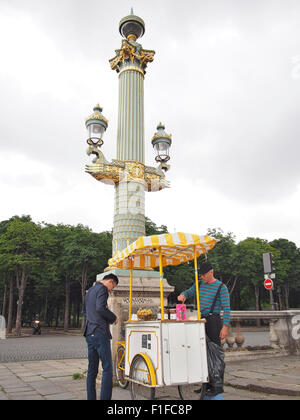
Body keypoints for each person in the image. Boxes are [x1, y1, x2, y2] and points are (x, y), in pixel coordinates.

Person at [177, 261, 231, 400]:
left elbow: (226, 308)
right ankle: (205, 384)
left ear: (211, 272)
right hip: (200, 321)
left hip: (213, 322)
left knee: (215, 354)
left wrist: (225, 326)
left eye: (204, 275)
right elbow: (189, 292)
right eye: (200, 275)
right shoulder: (199, 284)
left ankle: (216, 386)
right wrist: (183, 295)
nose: (202, 277)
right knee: (202, 353)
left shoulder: (221, 287)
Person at [83, 273, 119, 400]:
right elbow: (100, 308)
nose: (111, 290)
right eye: (112, 287)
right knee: (107, 368)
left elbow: (85, 312)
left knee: (92, 370)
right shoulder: (102, 289)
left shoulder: (90, 290)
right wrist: (113, 317)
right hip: (99, 333)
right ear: (110, 281)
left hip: (89, 332)